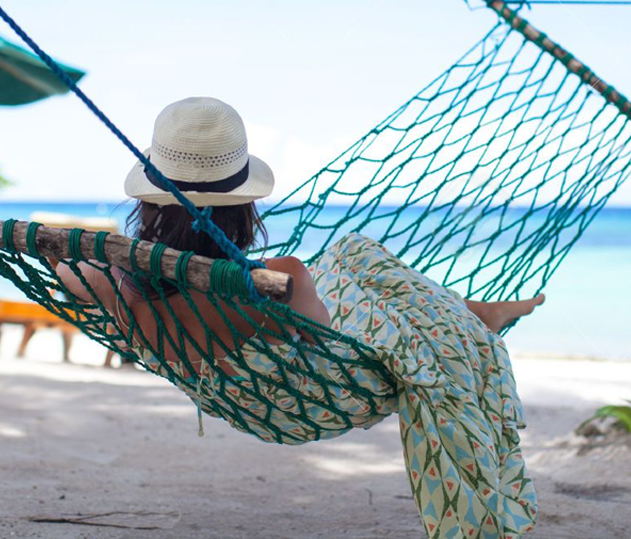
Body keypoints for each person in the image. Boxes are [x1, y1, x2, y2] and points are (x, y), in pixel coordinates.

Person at [57, 97, 541, 538]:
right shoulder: (280, 277)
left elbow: (67, 270)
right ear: (244, 208)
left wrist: (113, 256)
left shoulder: (116, 284)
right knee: (357, 252)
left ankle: (470, 313)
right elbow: (324, 333)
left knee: (352, 261)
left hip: (245, 393)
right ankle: (471, 316)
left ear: (147, 203)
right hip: (318, 390)